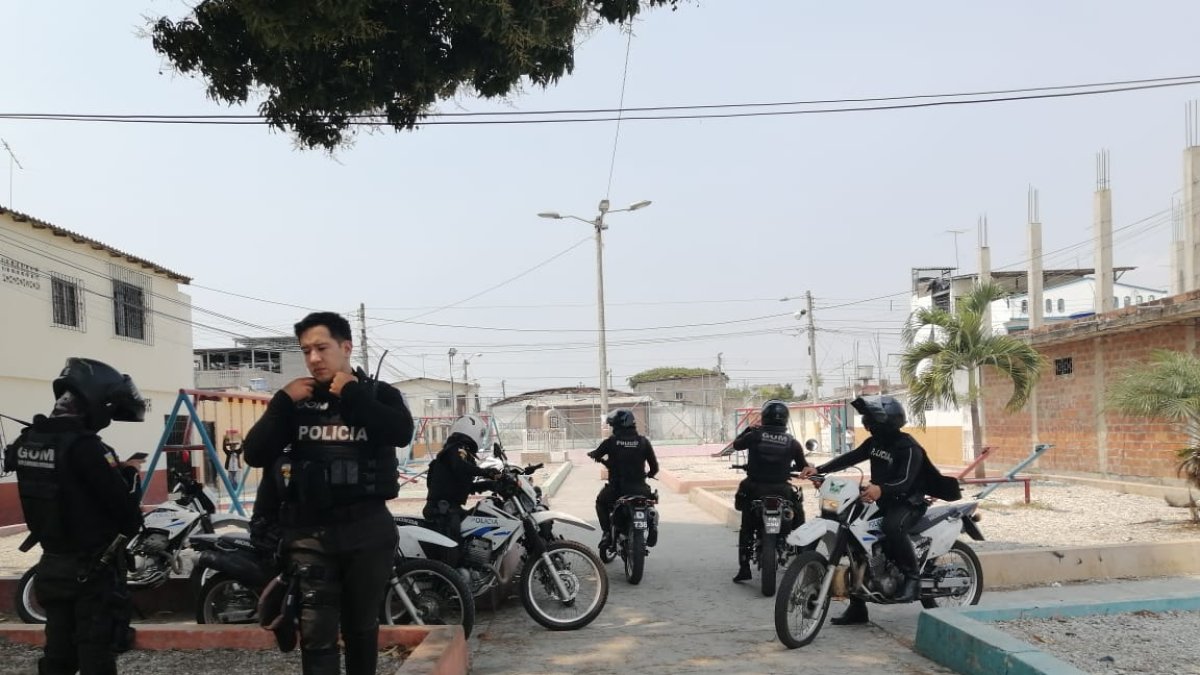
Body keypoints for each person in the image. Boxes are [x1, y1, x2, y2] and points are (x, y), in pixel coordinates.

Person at [243, 311, 414, 675]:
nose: (314, 358)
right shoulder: (296, 401)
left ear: (346, 347)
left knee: (361, 627)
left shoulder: (380, 395)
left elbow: (400, 432)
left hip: (367, 532)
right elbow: (255, 454)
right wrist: (281, 402)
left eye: (321, 348)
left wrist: (351, 393)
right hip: (311, 537)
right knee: (316, 633)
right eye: (306, 351)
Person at [4, 358, 146, 675]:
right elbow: (127, 516)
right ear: (94, 402)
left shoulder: (28, 441)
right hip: (92, 572)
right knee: (96, 652)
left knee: (58, 654)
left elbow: (64, 484)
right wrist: (129, 477)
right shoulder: (88, 449)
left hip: (52, 565)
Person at [811, 395, 958, 625]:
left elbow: (906, 482)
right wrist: (818, 470)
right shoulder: (875, 443)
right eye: (867, 420)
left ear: (887, 421)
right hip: (884, 500)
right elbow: (850, 457)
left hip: (909, 502)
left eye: (871, 420)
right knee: (855, 538)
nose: (867, 425)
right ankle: (858, 608)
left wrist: (881, 489)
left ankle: (912, 579)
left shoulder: (909, 447)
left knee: (892, 527)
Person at [731, 399, 813, 583]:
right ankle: (803, 557)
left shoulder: (755, 436)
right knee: (799, 517)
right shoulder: (792, 442)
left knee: (746, 527)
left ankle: (744, 568)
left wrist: (749, 430)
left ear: (764, 417)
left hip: (754, 488)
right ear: (785, 419)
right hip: (782, 489)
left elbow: (736, 445)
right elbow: (803, 467)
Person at [422, 414, 500, 569]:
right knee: (452, 553)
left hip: (452, 508)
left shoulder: (461, 453)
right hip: (443, 511)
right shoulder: (455, 450)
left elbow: (466, 486)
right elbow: (460, 467)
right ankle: (450, 585)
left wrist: (491, 485)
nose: (481, 438)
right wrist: (486, 472)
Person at [587, 409, 659, 552]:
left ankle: (607, 533)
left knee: (600, 502)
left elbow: (596, 453)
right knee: (650, 503)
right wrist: (650, 474)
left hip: (617, 490)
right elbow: (654, 468)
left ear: (619, 426)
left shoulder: (612, 442)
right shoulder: (643, 442)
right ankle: (652, 525)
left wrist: (594, 454)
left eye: (614, 426)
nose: (613, 429)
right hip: (640, 489)